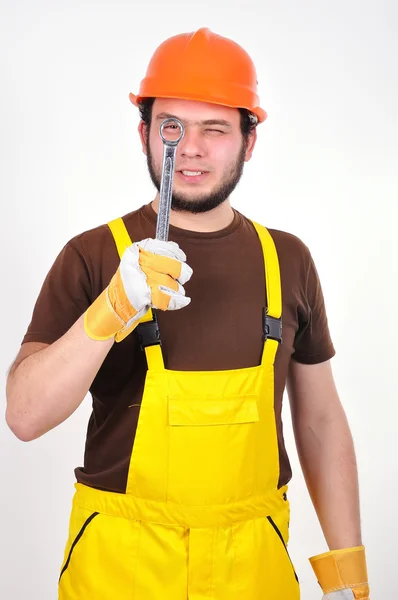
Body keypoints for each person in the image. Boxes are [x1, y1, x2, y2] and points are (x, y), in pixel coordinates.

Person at [5, 27, 369, 600]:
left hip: (253, 570)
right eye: (173, 126)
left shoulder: (289, 261)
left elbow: (321, 423)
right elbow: (24, 416)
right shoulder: (93, 255)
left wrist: (349, 573)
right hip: (121, 569)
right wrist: (113, 306)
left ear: (250, 141)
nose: (191, 148)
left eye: (216, 129)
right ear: (145, 133)